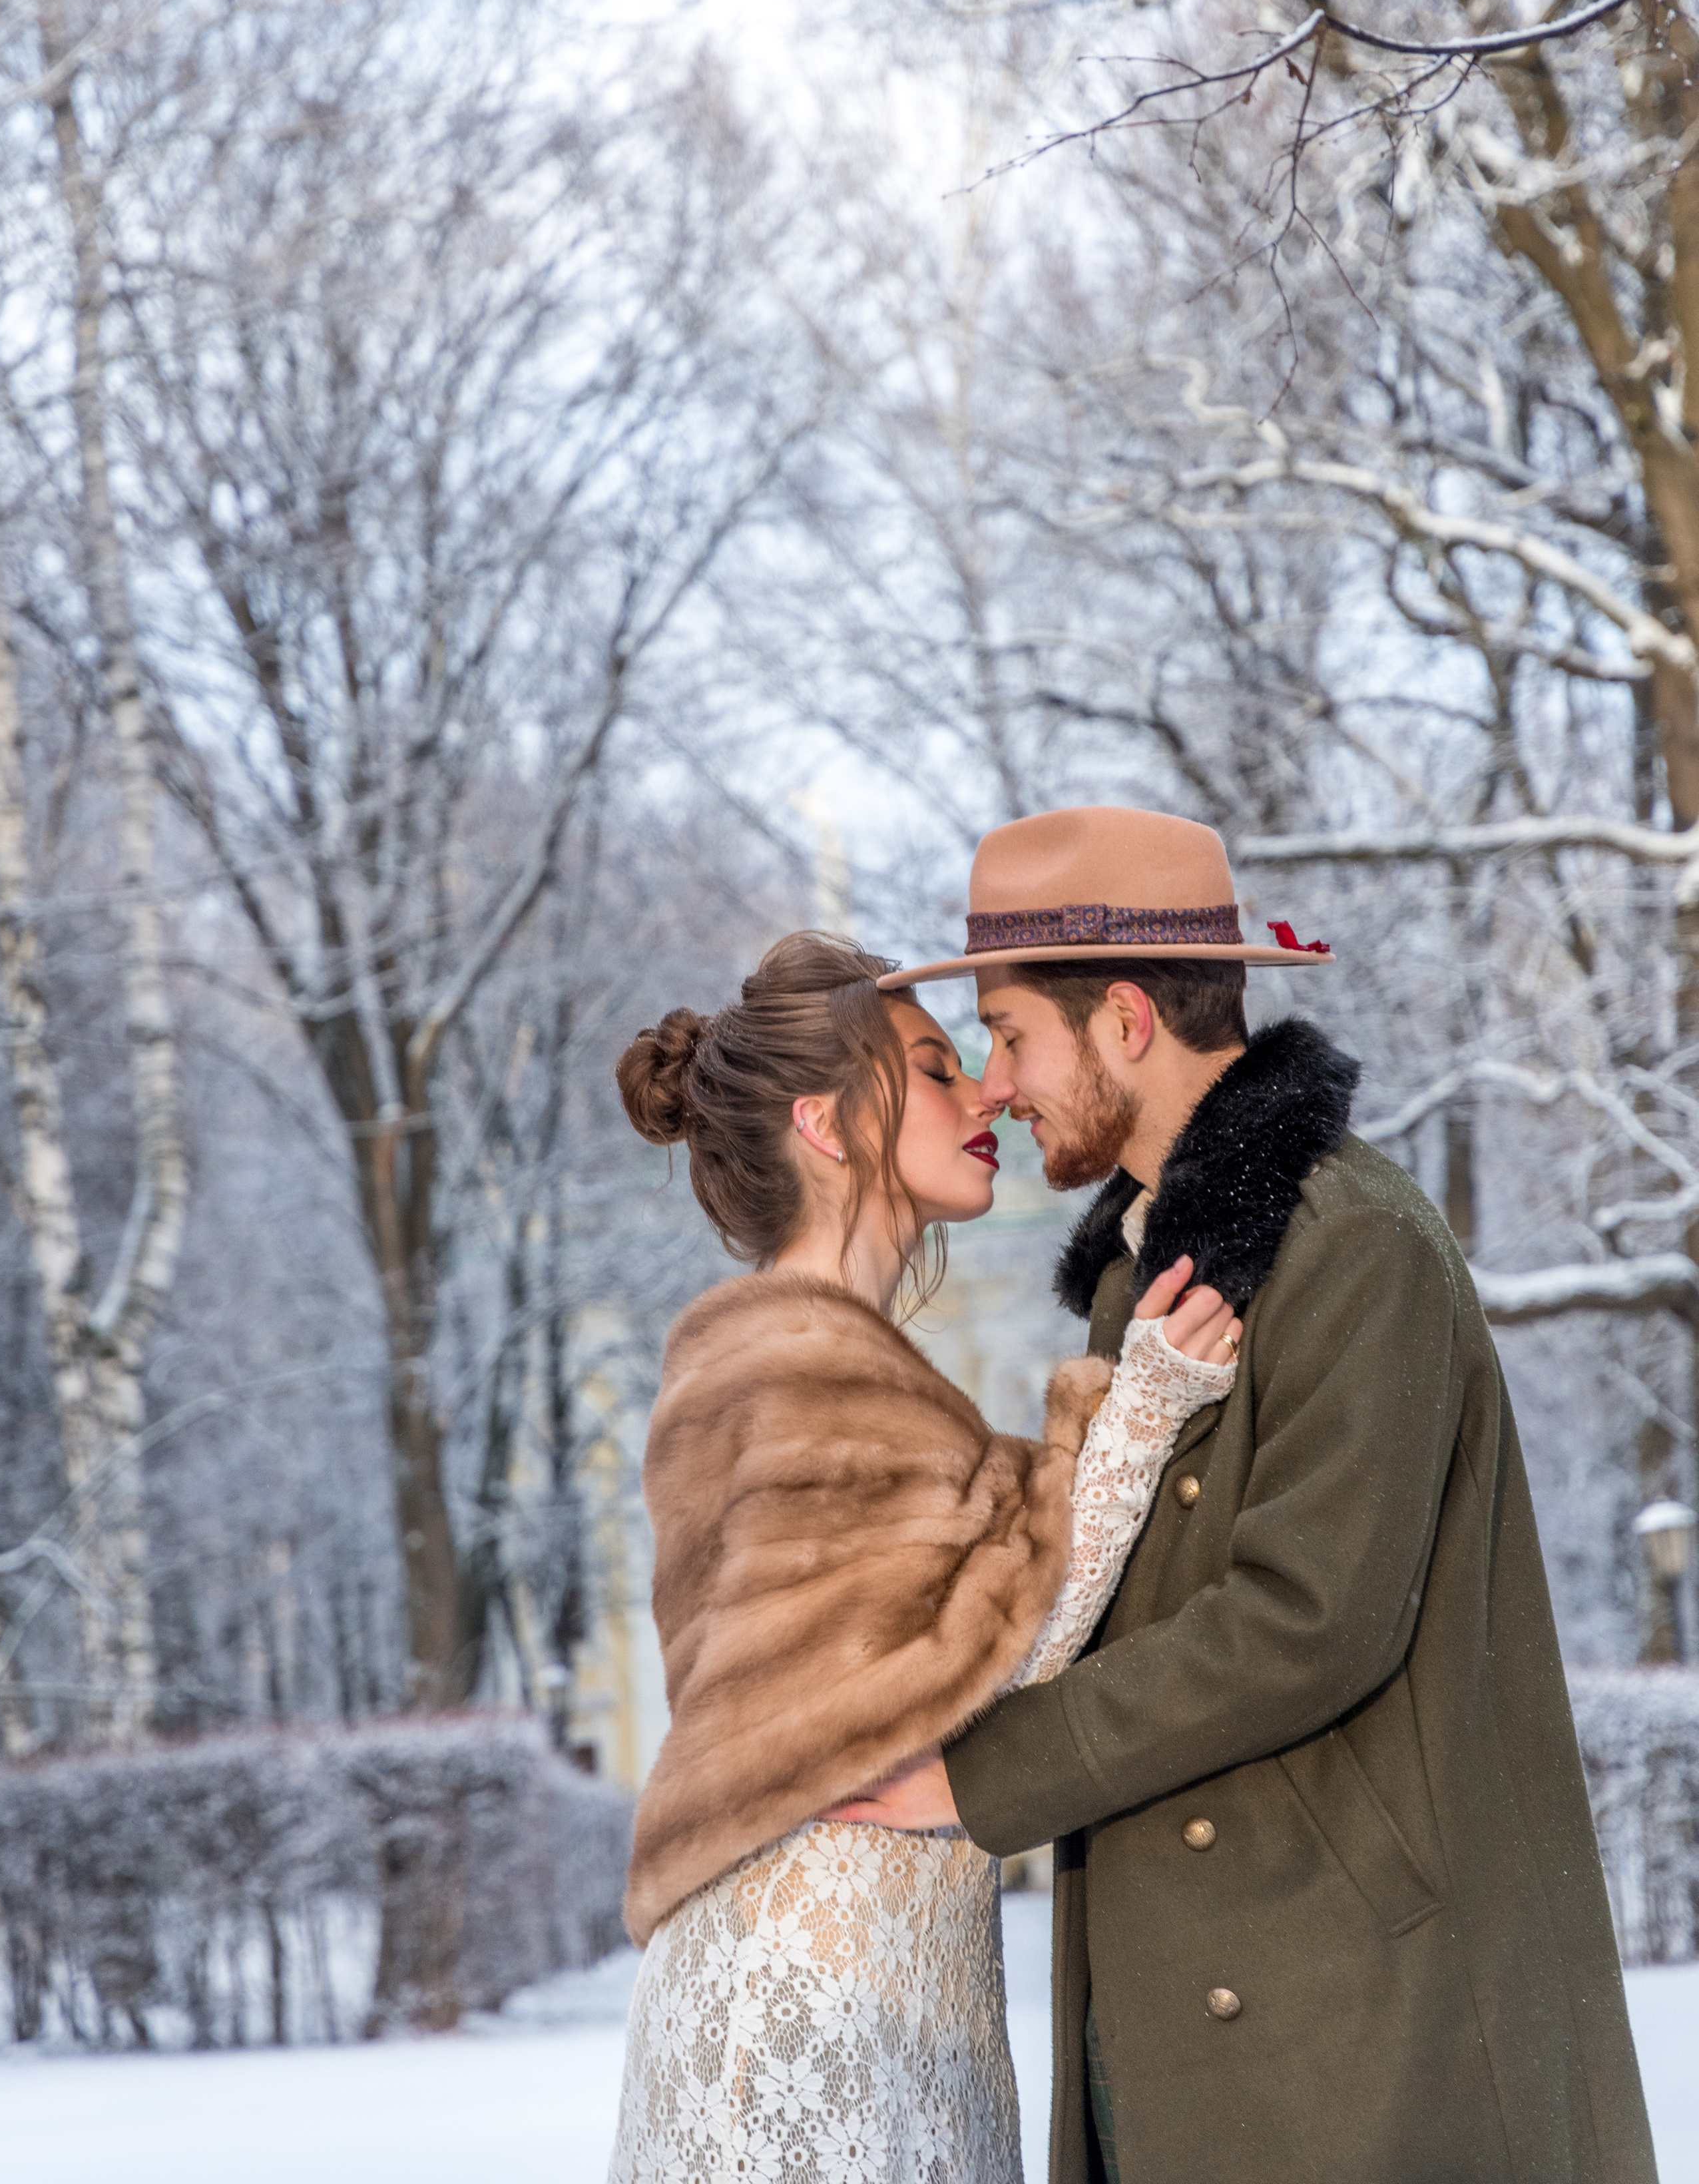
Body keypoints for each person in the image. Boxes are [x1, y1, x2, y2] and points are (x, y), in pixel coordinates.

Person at [842, 804, 1656, 2184]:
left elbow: (1307, 1618)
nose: (993, 1083)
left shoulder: (1353, 1242)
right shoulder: (1141, 1272)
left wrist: (978, 1778)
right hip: (1195, 1992)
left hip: (1356, 2020)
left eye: (1008, 1035)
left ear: (1120, 1023)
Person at [606, 929, 1244, 2183]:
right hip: (804, 2003)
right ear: (829, 1127)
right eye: (936, 1069)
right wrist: (1143, 1413)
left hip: (889, 1987)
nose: (987, 1094)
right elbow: (990, 1661)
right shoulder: (789, 1363)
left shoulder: (830, 1358)